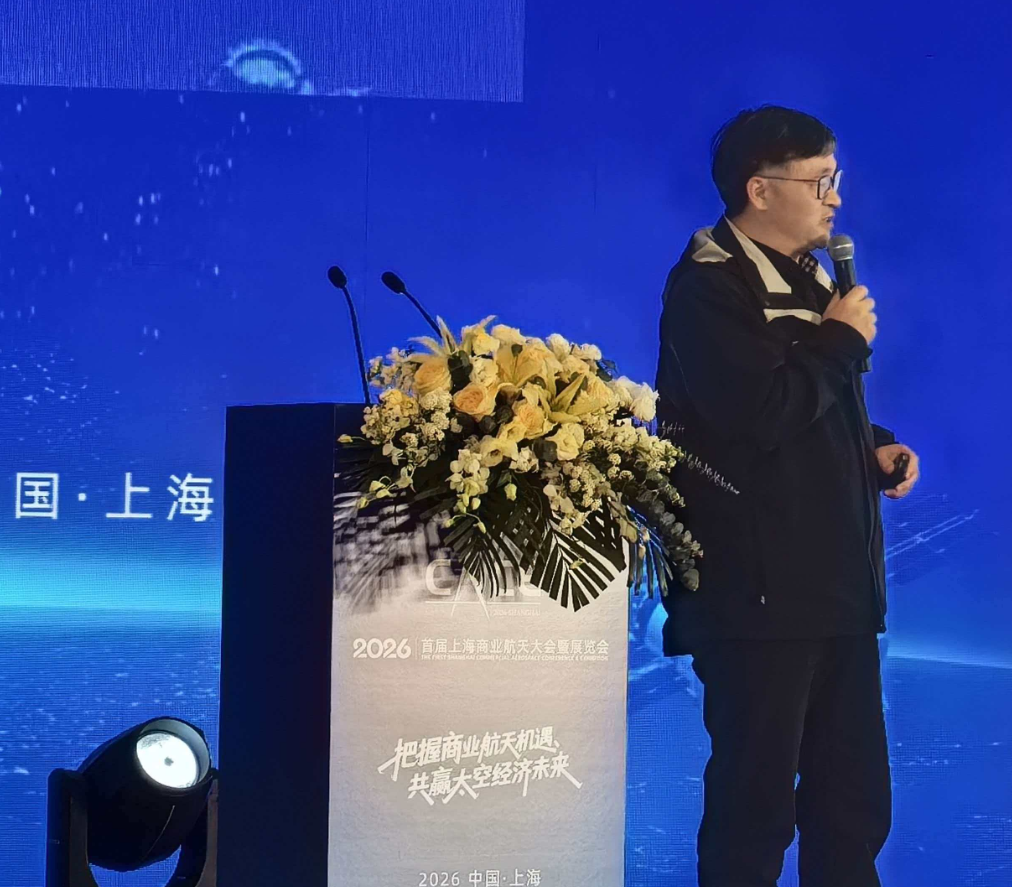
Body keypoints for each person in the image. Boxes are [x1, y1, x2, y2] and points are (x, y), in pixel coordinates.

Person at [655, 105, 921, 887]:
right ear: (760, 189)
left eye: (836, 180)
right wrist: (839, 341)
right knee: (755, 810)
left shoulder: (809, 279)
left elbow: (808, 408)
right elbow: (756, 414)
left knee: (852, 807)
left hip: (835, 591)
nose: (835, 199)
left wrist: (871, 447)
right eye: (820, 182)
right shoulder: (709, 286)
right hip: (758, 596)